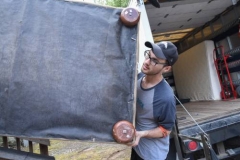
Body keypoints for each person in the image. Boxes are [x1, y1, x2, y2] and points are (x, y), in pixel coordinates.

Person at [130, 41, 179, 160]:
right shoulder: (141, 76)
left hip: (150, 154)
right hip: (134, 145)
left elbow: (166, 130)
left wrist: (142, 134)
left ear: (166, 68)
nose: (147, 62)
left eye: (154, 61)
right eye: (148, 55)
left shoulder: (165, 97)